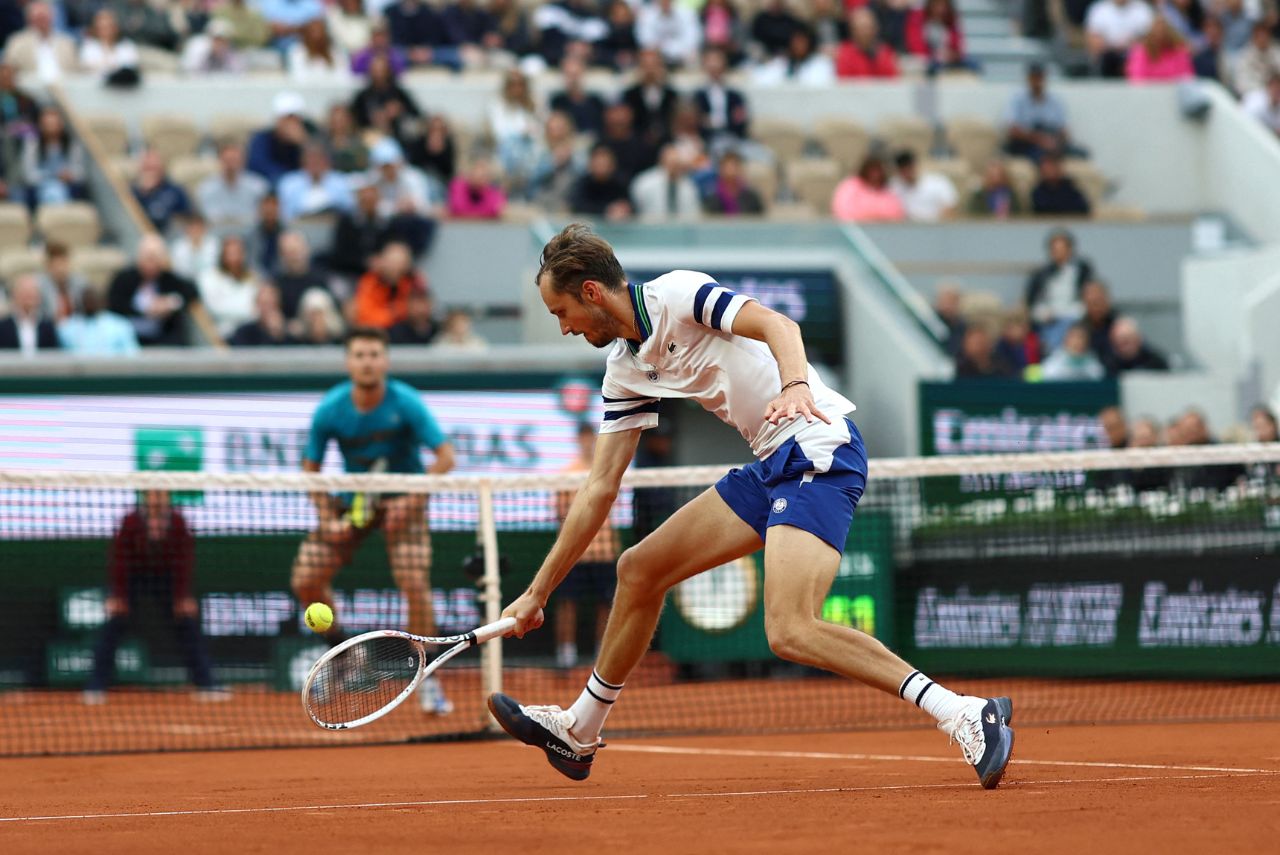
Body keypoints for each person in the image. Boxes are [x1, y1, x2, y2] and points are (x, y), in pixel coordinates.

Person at [486, 223, 1014, 788]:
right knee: (639, 569)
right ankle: (580, 729)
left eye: (562, 312)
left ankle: (962, 711)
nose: (564, 327)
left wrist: (795, 385)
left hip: (817, 446)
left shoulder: (677, 295)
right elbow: (600, 488)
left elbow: (778, 325)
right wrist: (539, 590)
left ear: (591, 291)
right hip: (769, 464)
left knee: (790, 630)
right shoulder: (625, 370)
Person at [292, 326, 456, 712]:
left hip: (403, 501)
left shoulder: (406, 402)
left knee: (414, 580)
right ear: (349, 362)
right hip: (354, 502)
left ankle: (427, 676)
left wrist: (410, 501)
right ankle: (344, 655)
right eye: (360, 355)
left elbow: (446, 457)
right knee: (305, 578)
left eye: (374, 355)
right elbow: (310, 470)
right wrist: (327, 518)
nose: (367, 362)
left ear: (385, 361)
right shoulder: (331, 409)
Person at [83, 491, 224, 704]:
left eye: (161, 495)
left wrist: (182, 597)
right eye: (153, 494)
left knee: (187, 625)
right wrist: (118, 596)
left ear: (168, 498)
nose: (157, 499)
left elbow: (183, 561)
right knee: (113, 627)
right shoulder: (131, 521)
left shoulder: (177, 522)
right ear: (146, 497)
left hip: (166, 579)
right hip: (134, 578)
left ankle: (207, 684)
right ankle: (96, 686)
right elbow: (120, 559)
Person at [554, 422, 619, 669]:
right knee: (567, 603)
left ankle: (602, 653)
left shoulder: (607, 471)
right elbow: (560, 515)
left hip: (604, 553)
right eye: (583, 437)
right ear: (578, 440)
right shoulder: (567, 474)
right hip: (575, 555)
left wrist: (613, 544)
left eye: (591, 437)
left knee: (607, 604)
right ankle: (566, 654)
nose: (587, 442)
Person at [108, 234, 224, 347]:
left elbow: (192, 291)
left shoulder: (168, 279)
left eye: (155, 259)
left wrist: (170, 303)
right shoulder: (124, 278)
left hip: (162, 338)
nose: (151, 264)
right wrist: (146, 310)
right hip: (131, 336)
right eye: (148, 258)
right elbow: (115, 303)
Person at [1024, 228, 1094, 353]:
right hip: (1049, 320)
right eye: (1055, 250)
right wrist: (1042, 313)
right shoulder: (1041, 274)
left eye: (1062, 249)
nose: (1059, 253)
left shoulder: (1082, 270)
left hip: (1075, 317)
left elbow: (1089, 295)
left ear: (1071, 249)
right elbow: (1031, 302)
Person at [1004, 63, 1082, 162]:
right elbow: (1012, 131)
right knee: (1043, 157)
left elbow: (1064, 131)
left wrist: (1054, 141)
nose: (1037, 81)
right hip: (1026, 144)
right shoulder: (1017, 99)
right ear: (1028, 79)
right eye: (1034, 77)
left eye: (1040, 77)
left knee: (1081, 153)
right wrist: (1040, 139)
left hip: (1051, 141)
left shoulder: (1055, 101)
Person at [198, 142, 270, 236]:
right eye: (227, 160)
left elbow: (263, 219)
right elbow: (206, 219)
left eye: (234, 160)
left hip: (250, 236)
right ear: (219, 160)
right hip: (218, 236)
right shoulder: (206, 189)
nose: (231, 164)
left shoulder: (259, 187)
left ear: (243, 160)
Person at [198, 235, 260, 338]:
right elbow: (214, 308)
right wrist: (247, 311)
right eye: (230, 253)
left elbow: (258, 310)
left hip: (250, 334)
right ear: (222, 255)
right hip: (222, 335)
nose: (234, 258)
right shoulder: (209, 278)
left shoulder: (253, 278)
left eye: (237, 253)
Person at [58, 283, 141, 356]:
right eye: (87, 299)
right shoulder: (66, 327)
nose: (90, 302)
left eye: (93, 299)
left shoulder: (120, 325)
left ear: (102, 300)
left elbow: (132, 355)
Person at [132, 149, 191, 235]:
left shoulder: (175, 192)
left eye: (153, 168)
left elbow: (187, 220)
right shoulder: (131, 193)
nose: (150, 172)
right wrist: (144, 193)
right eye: (146, 168)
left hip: (169, 236)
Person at [831, 155, 906, 222]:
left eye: (878, 170)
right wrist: (871, 215)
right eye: (872, 169)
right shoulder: (850, 185)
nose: (875, 174)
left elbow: (897, 213)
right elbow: (842, 210)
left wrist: (876, 216)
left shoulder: (887, 189)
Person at [890, 150, 958, 223]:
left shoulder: (938, 182)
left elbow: (950, 209)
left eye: (909, 167)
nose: (907, 171)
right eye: (903, 168)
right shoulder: (894, 186)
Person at [0, 274, 60, 356]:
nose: (29, 297)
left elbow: (54, 354)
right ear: (14, 295)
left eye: (32, 293)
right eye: (24, 293)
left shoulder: (48, 326)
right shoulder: (3, 327)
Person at [1104, 315, 1170, 374]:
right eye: (1120, 343)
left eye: (1127, 341)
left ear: (1138, 339)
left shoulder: (1155, 362)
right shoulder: (1109, 364)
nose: (1124, 347)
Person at [1040, 322, 1106, 380]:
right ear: (1066, 340)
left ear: (1087, 341)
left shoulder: (1094, 364)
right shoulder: (1053, 362)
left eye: (1081, 337)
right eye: (1073, 336)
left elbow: (1099, 376)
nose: (1077, 341)